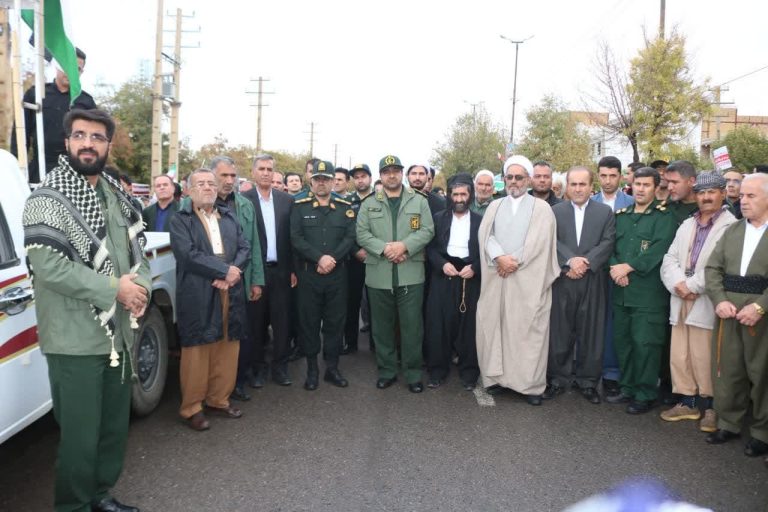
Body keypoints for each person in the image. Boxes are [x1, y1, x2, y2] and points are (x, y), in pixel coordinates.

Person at [23, 108, 149, 512]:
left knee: (112, 428)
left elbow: (138, 254)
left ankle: (99, 495)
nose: (88, 143)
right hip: (73, 339)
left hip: (117, 336)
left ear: (108, 145)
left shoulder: (114, 194)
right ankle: (74, 505)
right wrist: (117, 289)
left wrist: (141, 287)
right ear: (67, 142)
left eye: (97, 137)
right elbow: (48, 267)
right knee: (79, 436)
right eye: (80, 135)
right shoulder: (47, 198)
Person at [170, 168, 250, 431]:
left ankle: (219, 399)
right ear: (189, 190)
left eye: (211, 183)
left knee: (227, 346)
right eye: (200, 183)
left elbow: (244, 248)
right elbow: (187, 254)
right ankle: (192, 407)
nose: (207, 187)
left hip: (230, 289)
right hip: (198, 291)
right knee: (198, 350)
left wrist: (232, 273)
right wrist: (223, 271)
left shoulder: (228, 216)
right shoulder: (181, 219)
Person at [476, 155, 559, 405]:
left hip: (527, 281)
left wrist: (512, 261)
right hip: (496, 279)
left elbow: (539, 242)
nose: (514, 181)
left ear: (529, 179)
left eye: (519, 177)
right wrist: (499, 257)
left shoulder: (542, 208)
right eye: (509, 177)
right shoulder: (494, 206)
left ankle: (529, 386)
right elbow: (485, 235)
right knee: (495, 327)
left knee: (527, 331)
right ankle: (497, 380)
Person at [660, 172, 736, 432]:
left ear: (722, 194)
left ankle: (712, 408)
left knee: (708, 356)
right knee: (680, 353)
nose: (705, 197)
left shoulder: (730, 225)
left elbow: (723, 265)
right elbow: (669, 258)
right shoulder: (687, 223)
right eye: (701, 193)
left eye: (711, 192)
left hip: (707, 299)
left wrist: (691, 286)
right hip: (681, 296)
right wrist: (678, 284)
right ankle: (687, 402)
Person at [356, 155, 434, 393]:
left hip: (410, 272)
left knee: (412, 326)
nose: (392, 175)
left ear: (402, 174)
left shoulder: (418, 201)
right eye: (387, 171)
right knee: (382, 327)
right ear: (380, 175)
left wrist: (404, 247)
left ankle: (412, 374)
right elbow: (362, 233)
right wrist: (386, 249)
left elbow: (427, 229)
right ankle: (387, 370)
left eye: (396, 170)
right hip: (379, 273)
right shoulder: (369, 203)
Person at [704, 172, 768, 458]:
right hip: (729, 311)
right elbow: (712, 269)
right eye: (741, 195)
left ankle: (761, 432)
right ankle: (728, 422)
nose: (742, 201)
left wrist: (760, 306)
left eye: (750, 196)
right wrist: (719, 300)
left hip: (760, 315)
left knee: (761, 372)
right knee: (727, 369)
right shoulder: (733, 231)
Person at [606, 167, 677, 414]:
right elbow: (609, 246)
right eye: (637, 184)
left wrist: (629, 267)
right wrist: (616, 268)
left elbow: (660, 249)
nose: (641, 189)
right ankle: (627, 387)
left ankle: (645, 393)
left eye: (646, 185)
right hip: (621, 291)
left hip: (647, 294)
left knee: (645, 344)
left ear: (656, 187)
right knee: (623, 342)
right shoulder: (621, 215)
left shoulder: (664, 217)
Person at [545, 166, 615, 404]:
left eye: (582, 184)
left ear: (590, 186)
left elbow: (608, 242)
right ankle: (557, 379)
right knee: (560, 332)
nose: (577, 188)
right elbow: (550, 241)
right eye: (573, 184)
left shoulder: (604, 212)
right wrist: (569, 261)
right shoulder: (555, 212)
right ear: (567, 186)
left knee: (591, 332)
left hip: (592, 280)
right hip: (563, 279)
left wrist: (586, 263)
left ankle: (587, 382)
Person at [290, 160, 356, 390]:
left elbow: (350, 237)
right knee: (309, 322)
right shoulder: (299, 204)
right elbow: (296, 238)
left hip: (337, 275)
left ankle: (332, 368)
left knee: (335, 322)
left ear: (332, 181)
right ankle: (312, 370)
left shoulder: (345, 204)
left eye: (326, 179)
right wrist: (319, 258)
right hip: (310, 274)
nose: (321, 183)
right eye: (317, 179)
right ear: (311, 181)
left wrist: (332, 259)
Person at [209, 156, 265, 402]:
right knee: (213, 336)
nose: (229, 181)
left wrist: (256, 281)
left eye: (233, 176)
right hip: (210, 283)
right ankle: (210, 388)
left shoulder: (244, 205)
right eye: (224, 176)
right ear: (212, 176)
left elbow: (253, 245)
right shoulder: (194, 204)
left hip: (240, 281)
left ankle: (237, 382)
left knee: (240, 334)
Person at [242, 154, 296, 387]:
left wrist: (294, 269)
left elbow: (292, 238)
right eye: (261, 168)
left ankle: (280, 367)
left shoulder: (286, 201)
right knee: (256, 323)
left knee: (282, 322)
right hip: (256, 272)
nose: (266, 172)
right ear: (254, 172)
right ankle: (258, 368)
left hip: (282, 271)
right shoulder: (243, 200)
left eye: (270, 169)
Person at [424, 174, 481, 390]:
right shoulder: (438, 218)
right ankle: (437, 370)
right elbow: (429, 247)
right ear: (449, 196)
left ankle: (469, 373)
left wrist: (475, 267)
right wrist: (440, 264)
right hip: (444, 274)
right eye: (455, 194)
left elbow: (486, 251)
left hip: (469, 275)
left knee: (469, 327)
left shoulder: (479, 221)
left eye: (463, 194)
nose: (459, 198)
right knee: (439, 324)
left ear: (470, 196)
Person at [11, 48, 97, 184]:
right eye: (66, 66)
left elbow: (95, 138)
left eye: (77, 69)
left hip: (74, 172)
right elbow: (20, 133)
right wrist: (16, 167)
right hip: (39, 169)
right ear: (58, 66)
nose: (71, 72)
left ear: (81, 72)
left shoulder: (86, 102)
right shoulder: (36, 94)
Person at [592, 155, 634, 397]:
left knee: (614, 325)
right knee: (592, 323)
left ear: (621, 177)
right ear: (598, 176)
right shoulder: (589, 201)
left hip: (621, 273)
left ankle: (611, 373)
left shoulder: (630, 201)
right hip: (596, 271)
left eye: (613, 176)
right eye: (603, 176)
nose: (608, 181)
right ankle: (587, 369)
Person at [343, 163, 374, 354]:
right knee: (351, 303)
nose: (360, 179)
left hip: (375, 258)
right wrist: (355, 250)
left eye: (363, 176)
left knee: (376, 304)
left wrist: (372, 251)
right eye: (357, 177)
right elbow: (346, 231)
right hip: (354, 259)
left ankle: (376, 344)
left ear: (370, 178)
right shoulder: (347, 202)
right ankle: (351, 343)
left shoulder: (380, 199)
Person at [664, 160, 699, 225]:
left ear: (691, 181)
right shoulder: (667, 208)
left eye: (675, 182)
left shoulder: (707, 205)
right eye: (668, 182)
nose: (669, 187)